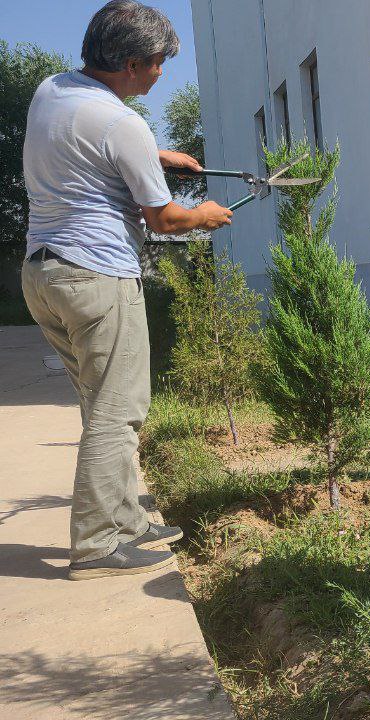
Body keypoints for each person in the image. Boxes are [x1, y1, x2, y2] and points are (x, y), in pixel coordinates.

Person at [22, 0, 233, 580]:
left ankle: (128, 521)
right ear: (134, 64)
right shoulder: (124, 124)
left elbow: (83, 141)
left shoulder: (54, 90)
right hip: (97, 277)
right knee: (119, 410)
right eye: (159, 63)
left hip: (43, 274)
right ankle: (95, 547)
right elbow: (165, 220)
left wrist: (157, 156)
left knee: (100, 402)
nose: (163, 73)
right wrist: (207, 215)